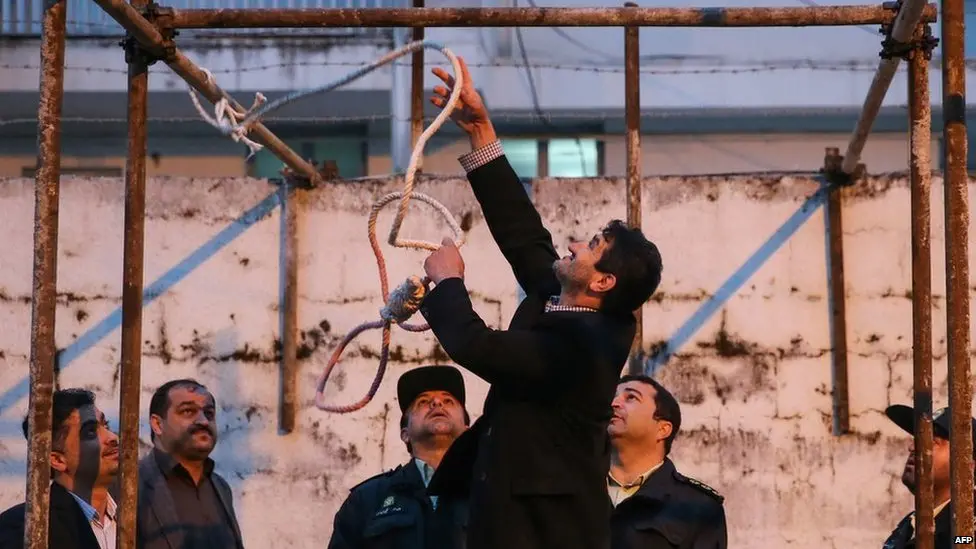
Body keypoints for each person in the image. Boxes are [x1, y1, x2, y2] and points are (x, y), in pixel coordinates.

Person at [418, 57, 664, 549]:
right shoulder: (565, 300)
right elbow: (525, 237)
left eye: (589, 247)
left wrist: (449, 282)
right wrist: (481, 131)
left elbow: (477, 346)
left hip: (546, 534)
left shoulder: (584, 347)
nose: (573, 246)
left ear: (602, 282)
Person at [328, 365, 471, 549]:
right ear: (405, 433)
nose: (437, 403)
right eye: (423, 402)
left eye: (448, 401)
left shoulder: (491, 492)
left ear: (468, 430)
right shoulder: (367, 499)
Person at [607, 375, 726, 549]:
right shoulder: (575, 489)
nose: (614, 404)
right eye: (612, 397)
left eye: (631, 397)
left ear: (663, 429)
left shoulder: (698, 507)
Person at [0, 389, 120, 549]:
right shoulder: (26, 529)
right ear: (57, 460)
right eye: (91, 432)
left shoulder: (137, 515)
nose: (113, 437)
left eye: (106, 425)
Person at [136, 379, 244, 549]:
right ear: (157, 424)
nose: (203, 421)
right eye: (188, 411)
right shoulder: (131, 486)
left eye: (209, 413)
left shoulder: (221, 488)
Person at [882, 404, 976, 549]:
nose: (912, 448)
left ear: (967, 465)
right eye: (917, 439)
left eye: (932, 442)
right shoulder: (910, 525)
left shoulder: (967, 530)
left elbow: (963, 540)